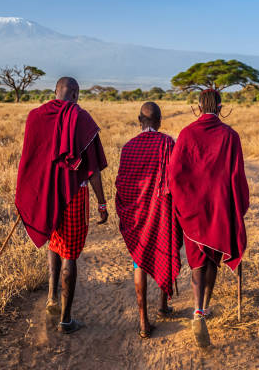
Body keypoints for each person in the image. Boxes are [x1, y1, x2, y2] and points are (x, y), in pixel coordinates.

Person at [15, 77, 108, 334]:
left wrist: (28, 195)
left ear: (56, 93)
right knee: (70, 255)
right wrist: (102, 204)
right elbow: (93, 170)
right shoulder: (82, 119)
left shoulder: (36, 116)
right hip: (73, 197)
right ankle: (66, 320)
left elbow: (31, 161)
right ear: (76, 94)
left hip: (46, 194)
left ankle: (52, 296)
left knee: (53, 241)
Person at [168, 89, 249, 348]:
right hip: (219, 208)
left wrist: (183, 203)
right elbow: (237, 176)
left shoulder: (187, 133)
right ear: (221, 106)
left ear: (198, 107)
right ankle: (205, 308)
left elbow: (174, 175)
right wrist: (238, 206)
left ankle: (196, 309)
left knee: (196, 262)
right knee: (213, 256)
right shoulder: (231, 136)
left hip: (192, 209)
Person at [115, 102, 183, 339]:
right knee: (166, 249)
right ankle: (163, 306)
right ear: (160, 121)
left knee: (139, 261)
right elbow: (176, 180)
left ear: (139, 120)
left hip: (136, 216)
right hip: (162, 212)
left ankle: (143, 320)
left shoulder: (128, 147)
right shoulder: (168, 143)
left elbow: (121, 184)